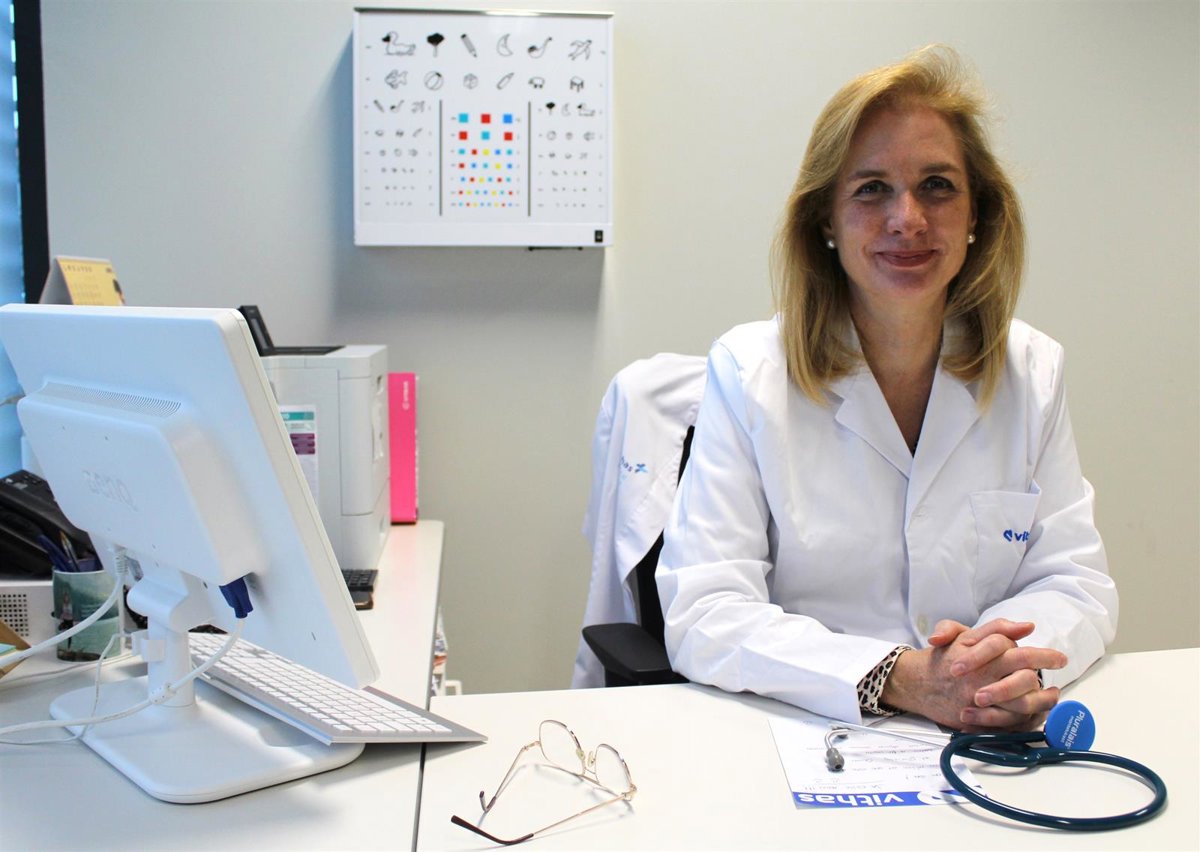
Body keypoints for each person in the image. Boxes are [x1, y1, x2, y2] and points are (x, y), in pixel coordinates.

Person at [655, 45, 1117, 733]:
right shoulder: (749, 373)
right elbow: (705, 611)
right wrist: (898, 676)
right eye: (871, 188)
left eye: (937, 185)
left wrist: (995, 669)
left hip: (988, 732)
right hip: (811, 731)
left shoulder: (1032, 371)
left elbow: (1074, 581)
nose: (908, 218)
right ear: (825, 219)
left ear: (977, 214)